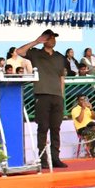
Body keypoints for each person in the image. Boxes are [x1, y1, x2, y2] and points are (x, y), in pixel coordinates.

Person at [16, 29, 69, 169]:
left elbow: (61, 78)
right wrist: (36, 41)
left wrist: (62, 96)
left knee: (56, 128)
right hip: (42, 94)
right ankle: (43, 158)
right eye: (50, 38)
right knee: (43, 128)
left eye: (54, 38)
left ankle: (55, 157)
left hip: (57, 95)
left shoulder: (59, 57)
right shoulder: (35, 53)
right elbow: (19, 52)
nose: (53, 40)